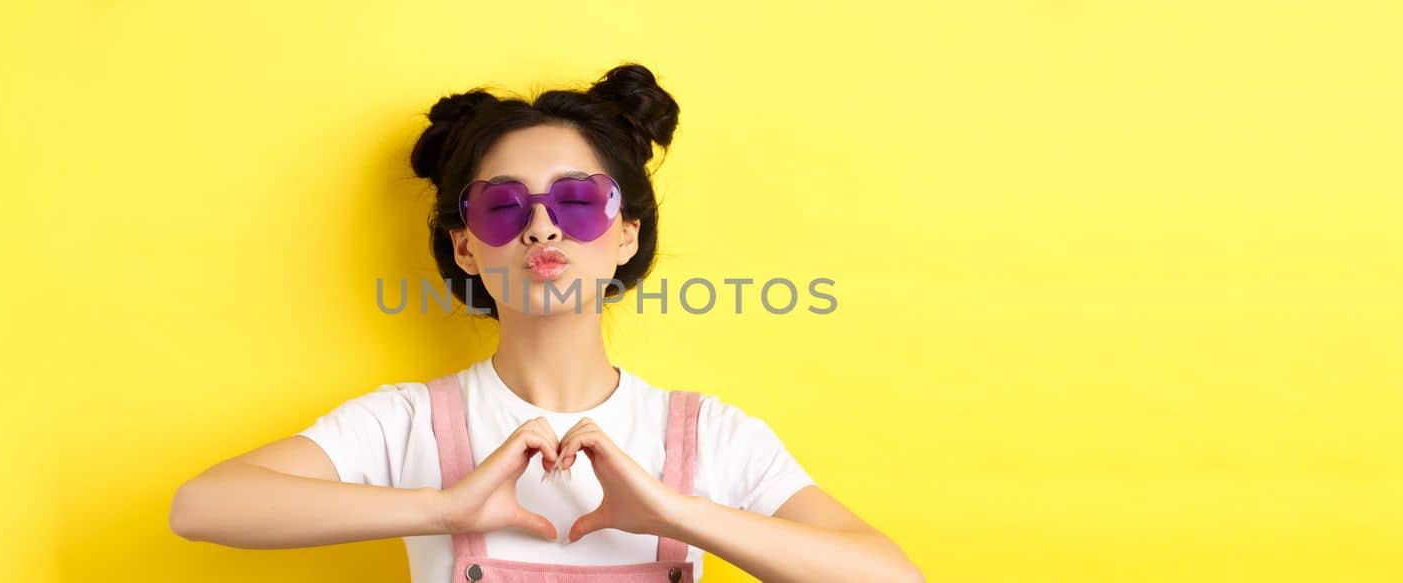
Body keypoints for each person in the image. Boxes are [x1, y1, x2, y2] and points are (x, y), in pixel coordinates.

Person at [169, 62, 923, 583]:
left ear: (626, 232)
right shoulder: (409, 424)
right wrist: (444, 505)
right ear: (465, 245)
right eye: (502, 206)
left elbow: (891, 574)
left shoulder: (710, 436)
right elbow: (201, 505)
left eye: (574, 201)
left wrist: (677, 514)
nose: (540, 230)